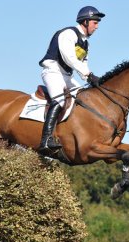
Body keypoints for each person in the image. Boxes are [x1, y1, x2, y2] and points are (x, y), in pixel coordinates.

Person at [38, 6, 105, 154]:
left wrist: (90, 79)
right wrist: (88, 74)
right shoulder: (69, 34)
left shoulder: (85, 43)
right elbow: (70, 58)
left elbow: (82, 63)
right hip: (52, 71)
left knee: (83, 97)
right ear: (86, 22)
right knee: (60, 100)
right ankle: (46, 140)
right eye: (95, 22)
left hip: (67, 76)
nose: (97, 26)